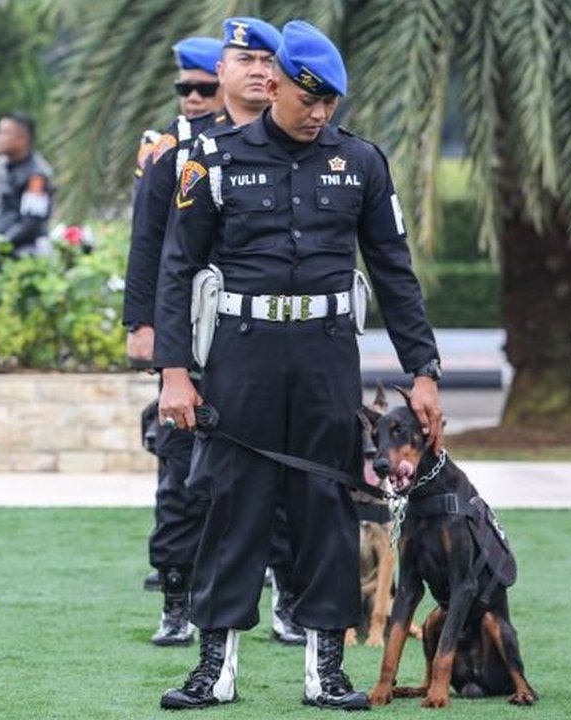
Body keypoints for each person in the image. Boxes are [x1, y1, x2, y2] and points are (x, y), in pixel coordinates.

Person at [153, 21, 443, 710]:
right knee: (231, 507)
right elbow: (178, 268)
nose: (317, 114)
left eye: (330, 103)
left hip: (326, 358)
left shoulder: (361, 164)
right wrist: (174, 370)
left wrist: (423, 370)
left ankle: (327, 670)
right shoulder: (212, 160)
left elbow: (394, 272)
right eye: (307, 99)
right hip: (241, 356)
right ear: (274, 82)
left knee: (325, 509)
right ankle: (214, 669)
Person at [124, 19, 282, 648]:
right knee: (184, 472)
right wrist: (146, 330)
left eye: (267, 60)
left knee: (278, 471)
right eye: (244, 58)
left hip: (264, 336)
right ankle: (176, 595)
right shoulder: (177, 153)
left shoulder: (294, 145)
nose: (192, 97)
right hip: (193, 332)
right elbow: (151, 250)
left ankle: (287, 595)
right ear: (224, 70)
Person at [0, 112, 54, 257]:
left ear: (22, 139)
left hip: (25, 250)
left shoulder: (36, 175)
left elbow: (31, 224)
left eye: (4, 133)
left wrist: (1, 245)